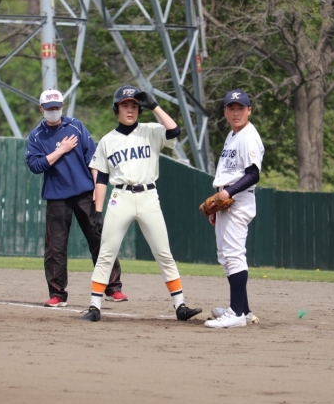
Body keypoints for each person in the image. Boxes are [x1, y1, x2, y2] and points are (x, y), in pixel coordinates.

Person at [79, 85, 202, 322]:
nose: (130, 109)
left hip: (148, 196)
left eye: (134, 105)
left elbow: (174, 130)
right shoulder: (107, 141)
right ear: (116, 109)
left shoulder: (151, 131)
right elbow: (102, 177)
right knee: (106, 252)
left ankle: (180, 306)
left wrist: (154, 105)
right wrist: (97, 211)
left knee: (163, 253)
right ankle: (94, 306)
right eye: (125, 105)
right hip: (121, 197)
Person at [26, 89, 127, 308]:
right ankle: (57, 294)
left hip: (85, 193)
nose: (54, 111)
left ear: (62, 106)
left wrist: (97, 188)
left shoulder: (76, 126)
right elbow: (35, 165)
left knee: (100, 239)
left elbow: (94, 159)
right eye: (50, 108)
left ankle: (113, 287)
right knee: (55, 248)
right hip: (56, 197)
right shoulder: (36, 136)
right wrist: (61, 150)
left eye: (57, 107)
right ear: (41, 108)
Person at [204, 89, 264, 328]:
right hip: (227, 203)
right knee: (226, 256)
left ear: (249, 110)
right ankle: (243, 310)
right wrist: (218, 205)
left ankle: (236, 313)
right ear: (225, 112)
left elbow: (253, 174)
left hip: (237, 201)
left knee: (234, 255)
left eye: (241, 108)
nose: (236, 113)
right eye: (232, 108)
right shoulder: (233, 135)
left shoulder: (248, 137)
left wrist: (227, 193)